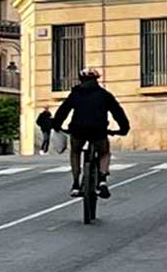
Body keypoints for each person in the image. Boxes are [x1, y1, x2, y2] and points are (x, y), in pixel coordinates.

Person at [52, 69, 129, 198]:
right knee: (104, 152)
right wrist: (124, 129)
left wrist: (57, 125)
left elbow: (63, 111)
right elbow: (118, 112)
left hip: (78, 130)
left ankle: (76, 184)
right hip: (98, 130)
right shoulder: (105, 95)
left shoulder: (75, 94)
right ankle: (103, 179)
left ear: (81, 80)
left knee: (75, 152)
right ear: (96, 79)